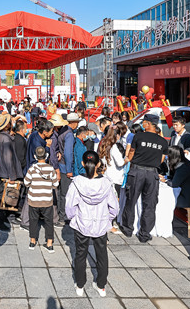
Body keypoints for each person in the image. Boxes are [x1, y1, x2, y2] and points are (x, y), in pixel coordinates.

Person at [66, 151, 119, 298]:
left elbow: (69, 206)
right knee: (102, 254)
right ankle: (101, 285)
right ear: (98, 164)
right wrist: (108, 219)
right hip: (101, 223)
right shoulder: (106, 183)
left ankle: (80, 285)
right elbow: (114, 208)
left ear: (82, 164)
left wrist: (73, 218)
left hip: (82, 222)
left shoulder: (77, 182)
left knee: (80, 254)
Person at [122, 114, 168, 242]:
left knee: (131, 200)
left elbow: (131, 152)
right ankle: (144, 233)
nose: (142, 124)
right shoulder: (163, 141)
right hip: (152, 174)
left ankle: (128, 229)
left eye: (144, 122)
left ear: (148, 124)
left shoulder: (138, 136)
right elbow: (161, 159)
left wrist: (129, 160)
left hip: (137, 171)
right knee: (150, 204)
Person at [24, 146, 58, 252]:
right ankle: (49, 243)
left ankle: (32, 241)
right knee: (49, 222)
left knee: (33, 220)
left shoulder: (32, 169)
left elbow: (26, 183)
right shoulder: (51, 169)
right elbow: (56, 184)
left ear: (35, 156)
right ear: (46, 156)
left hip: (34, 200)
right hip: (47, 200)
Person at [0, 113, 20, 232]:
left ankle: (3, 218)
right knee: (2, 197)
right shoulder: (6, 138)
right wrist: (12, 175)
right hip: (6, 171)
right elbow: (9, 159)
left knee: (1, 195)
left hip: (0, 169)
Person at [98, 127, 126, 232]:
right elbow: (120, 163)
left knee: (107, 202)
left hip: (107, 175)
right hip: (115, 177)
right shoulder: (114, 147)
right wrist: (127, 159)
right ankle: (110, 225)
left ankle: (108, 223)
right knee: (113, 203)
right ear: (117, 136)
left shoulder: (104, 144)